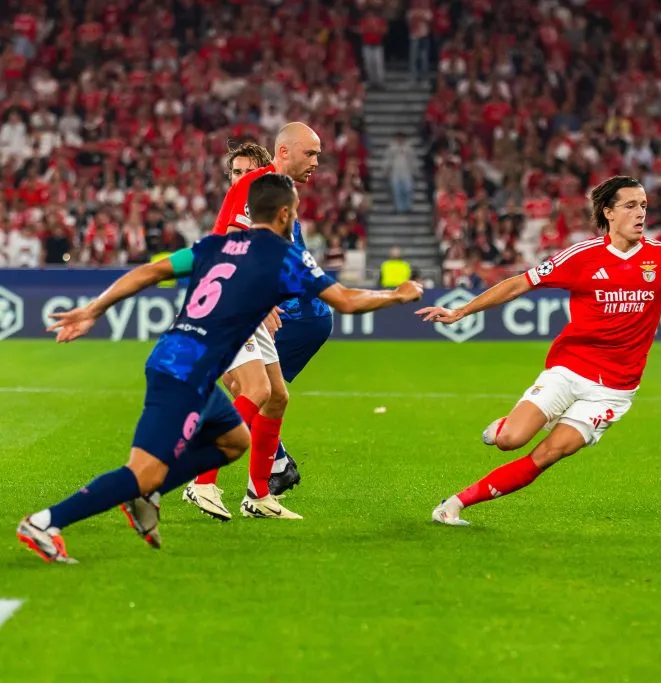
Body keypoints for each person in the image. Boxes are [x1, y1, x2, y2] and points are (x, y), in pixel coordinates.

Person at [16, 173, 423, 563]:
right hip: (185, 375)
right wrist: (398, 294)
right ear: (284, 214)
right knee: (141, 470)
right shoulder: (286, 256)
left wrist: (93, 310)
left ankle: (148, 495)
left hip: (178, 360)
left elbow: (151, 271)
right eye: (295, 211)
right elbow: (347, 300)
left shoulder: (215, 245)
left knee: (234, 440)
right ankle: (47, 521)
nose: (296, 217)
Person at [417, 176, 661, 526]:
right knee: (509, 441)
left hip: (614, 389)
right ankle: (504, 428)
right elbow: (519, 284)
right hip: (570, 367)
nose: (640, 212)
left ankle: (454, 505)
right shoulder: (582, 256)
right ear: (608, 213)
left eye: (643, 205)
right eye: (629, 205)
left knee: (547, 455)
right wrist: (461, 311)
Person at [182, 124, 322, 521]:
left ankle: (259, 496)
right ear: (284, 151)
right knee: (256, 388)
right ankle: (202, 479)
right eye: (310, 153)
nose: (316, 162)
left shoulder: (282, 191)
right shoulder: (258, 184)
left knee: (277, 396)